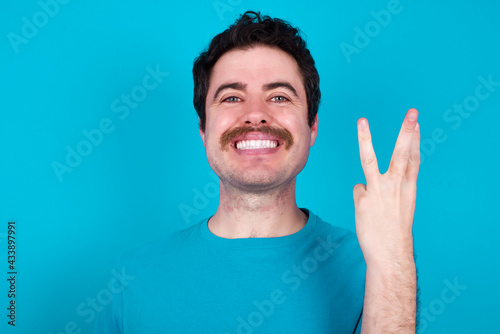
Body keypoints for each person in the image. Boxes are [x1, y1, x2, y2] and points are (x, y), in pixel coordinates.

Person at [95, 11, 419, 334]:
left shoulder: (372, 268)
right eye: (232, 97)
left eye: (278, 96)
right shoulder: (136, 276)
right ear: (203, 130)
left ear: (313, 127)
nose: (255, 115)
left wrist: (392, 260)